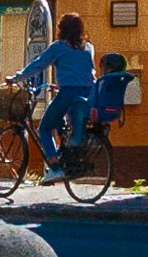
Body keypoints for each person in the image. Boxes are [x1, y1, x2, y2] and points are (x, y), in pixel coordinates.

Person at [15, 12, 99, 161]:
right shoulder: (88, 47)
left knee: (45, 128)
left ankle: (54, 166)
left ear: (62, 29)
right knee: (64, 124)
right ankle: (66, 155)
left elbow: (39, 64)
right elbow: (84, 72)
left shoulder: (59, 47)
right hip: (88, 94)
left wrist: (17, 77)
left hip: (68, 94)